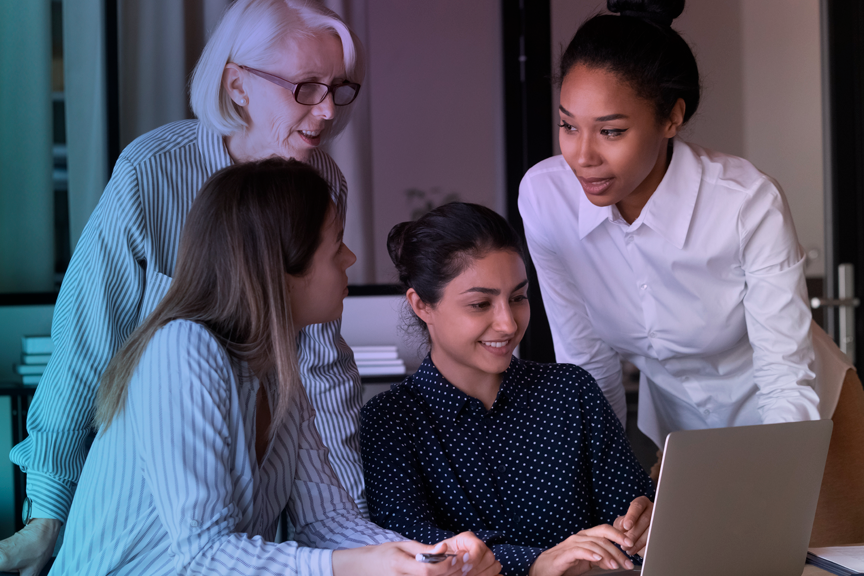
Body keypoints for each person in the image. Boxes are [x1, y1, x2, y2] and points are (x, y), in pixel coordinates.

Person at [1, 1, 373, 574]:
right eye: (305, 87)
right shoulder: (152, 171)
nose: (326, 111)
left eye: (338, 88)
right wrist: (48, 513)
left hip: (229, 526)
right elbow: (85, 347)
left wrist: (359, 538)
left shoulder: (320, 179)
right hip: (142, 509)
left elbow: (318, 365)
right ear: (238, 85)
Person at [47, 159, 501, 576]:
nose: (350, 259)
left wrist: (430, 558)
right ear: (283, 268)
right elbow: (207, 553)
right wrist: (363, 565)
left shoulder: (278, 365)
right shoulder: (182, 347)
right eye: (335, 245)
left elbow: (327, 521)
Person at [517, 0, 864, 545]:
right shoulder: (546, 198)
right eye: (567, 125)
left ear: (671, 118)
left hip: (804, 423)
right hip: (686, 437)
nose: (581, 156)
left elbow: (784, 376)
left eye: (610, 131)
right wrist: (610, 486)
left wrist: (775, 493)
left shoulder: (744, 202)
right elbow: (585, 360)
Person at [361, 202, 655, 576]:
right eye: (480, 304)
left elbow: (631, 510)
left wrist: (643, 522)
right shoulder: (391, 420)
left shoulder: (570, 391)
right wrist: (535, 563)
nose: (507, 324)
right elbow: (415, 546)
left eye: (518, 298)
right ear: (422, 305)